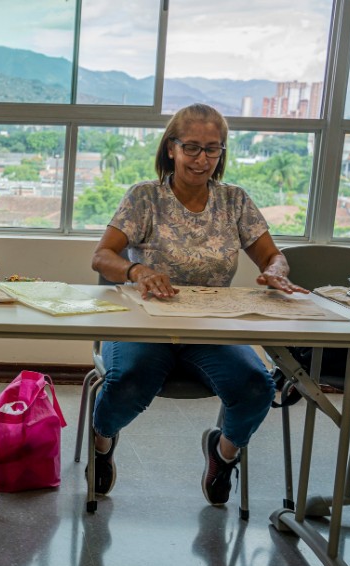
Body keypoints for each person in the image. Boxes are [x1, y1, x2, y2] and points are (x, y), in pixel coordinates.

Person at [89, 103, 307, 506]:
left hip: (210, 326)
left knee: (256, 387)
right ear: (171, 148)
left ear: (222, 153)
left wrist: (276, 270)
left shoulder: (234, 201)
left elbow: (272, 256)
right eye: (191, 147)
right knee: (128, 383)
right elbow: (102, 257)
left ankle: (223, 454)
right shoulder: (145, 197)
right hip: (147, 321)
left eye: (212, 149)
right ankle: (101, 443)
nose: (201, 158)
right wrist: (137, 271)